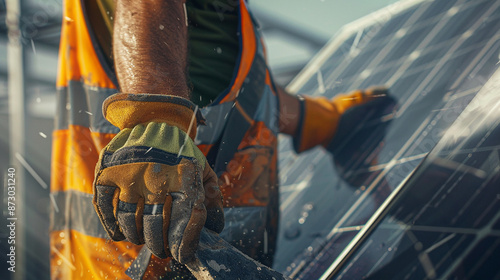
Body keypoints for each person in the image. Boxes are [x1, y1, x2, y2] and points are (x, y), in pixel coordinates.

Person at [50, 0, 389, 278]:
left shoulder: (223, 16)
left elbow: (233, 91)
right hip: (140, 266)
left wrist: (314, 120)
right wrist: (157, 117)